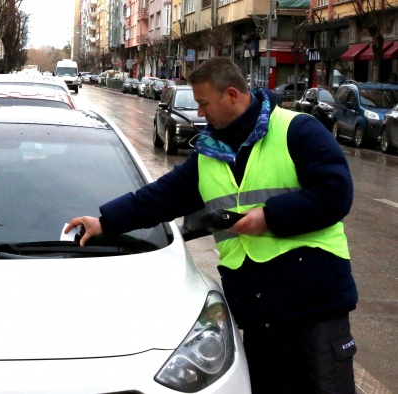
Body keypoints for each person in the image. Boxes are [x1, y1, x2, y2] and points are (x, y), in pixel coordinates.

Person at [65, 57, 358, 394]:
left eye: (204, 103)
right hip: (259, 315)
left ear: (231, 95)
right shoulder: (210, 152)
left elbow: (336, 194)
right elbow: (161, 197)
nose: (200, 113)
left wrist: (270, 218)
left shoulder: (297, 130)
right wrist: (104, 222)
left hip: (313, 308)